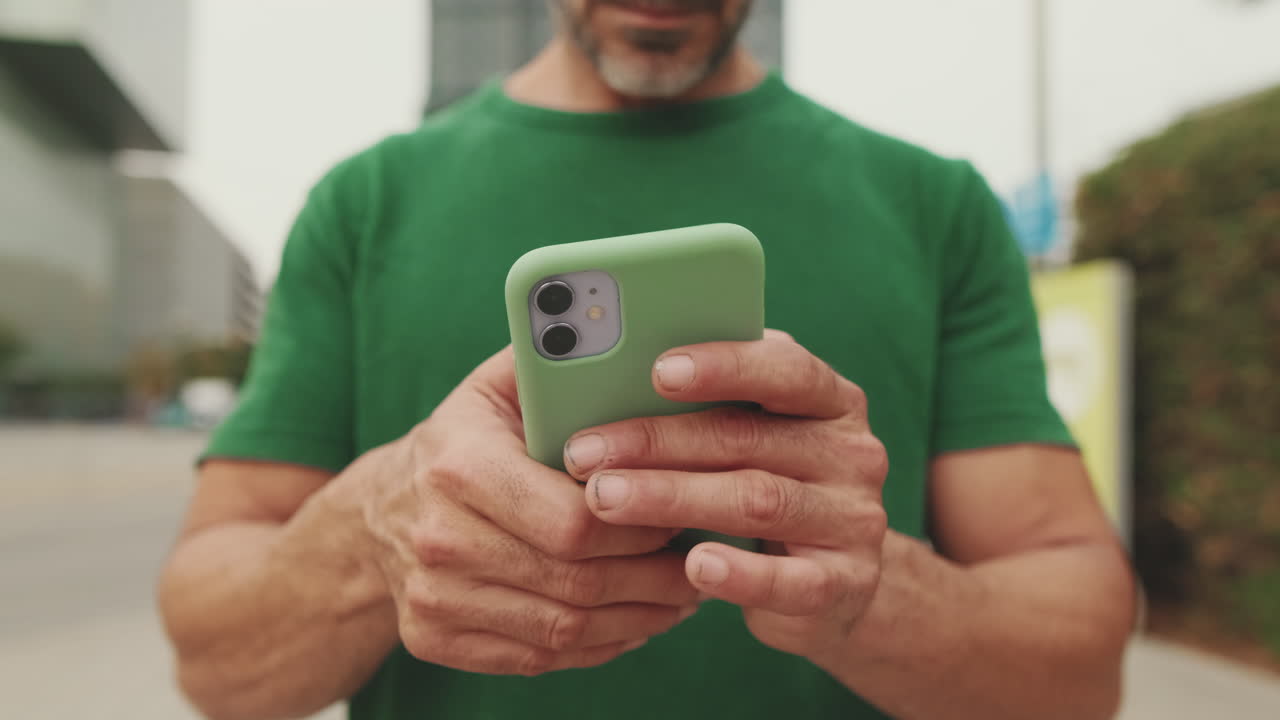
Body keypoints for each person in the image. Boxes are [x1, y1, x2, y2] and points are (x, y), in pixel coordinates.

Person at [157, 1, 1136, 719]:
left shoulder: (933, 208)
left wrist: (869, 593)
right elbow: (217, 666)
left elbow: (1080, 673)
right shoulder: (364, 207)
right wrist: (375, 531)